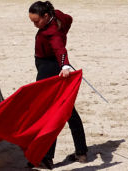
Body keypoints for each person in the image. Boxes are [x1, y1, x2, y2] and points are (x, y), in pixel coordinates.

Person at [28, 1, 88, 169]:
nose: (34, 25)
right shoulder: (58, 16)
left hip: (49, 68)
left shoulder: (51, 31)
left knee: (49, 112)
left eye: (36, 21)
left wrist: (65, 65)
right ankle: (81, 152)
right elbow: (69, 18)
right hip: (53, 66)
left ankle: (46, 157)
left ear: (45, 16)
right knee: (67, 109)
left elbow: (60, 48)